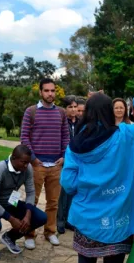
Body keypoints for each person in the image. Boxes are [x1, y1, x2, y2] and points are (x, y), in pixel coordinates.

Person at [61, 93, 134, 263]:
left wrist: (90, 184)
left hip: (87, 217)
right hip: (119, 218)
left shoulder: (75, 144)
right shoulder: (127, 135)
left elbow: (68, 183)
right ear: (110, 112)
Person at [20, 78, 70, 249]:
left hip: (56, 165)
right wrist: (33, 158)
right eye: (47, 91)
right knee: (31, 201)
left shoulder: (61, 113)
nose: (50, 94)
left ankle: (50, 232)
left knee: (53, 202)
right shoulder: (31, 112)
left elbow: (66, 137)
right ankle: (29, 234)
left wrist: (64, 156)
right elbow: (24, 137)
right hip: (36, 165)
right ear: (40, 92)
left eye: (53, 90)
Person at [0, 145, 47, 261]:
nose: (26, 166)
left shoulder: (28, 168)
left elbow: (31, 192)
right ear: (14, 158)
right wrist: (11, 219)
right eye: (23, 162)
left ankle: (10, 237)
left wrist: (28, 214)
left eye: (28, 162)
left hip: (11, 202)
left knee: (40, 217)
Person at [57, 95, 78, 234]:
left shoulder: (81, 123)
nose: (73, 109)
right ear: (64, 109)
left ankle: (69, 220)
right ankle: (60, 221)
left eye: (75, 106)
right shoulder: (61, 123)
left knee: (73, 192)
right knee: (63, 193)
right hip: (64, 161)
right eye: (70, 107)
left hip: (78, 162)